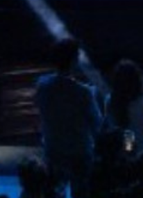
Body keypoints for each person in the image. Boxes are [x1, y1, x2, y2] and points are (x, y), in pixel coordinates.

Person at [36, 38, 103, 198]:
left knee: (52, 192)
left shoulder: (42, 86)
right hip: (79, 152)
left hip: (53, 148)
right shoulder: (84, 92)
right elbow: (96, 125)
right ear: (74, 60)